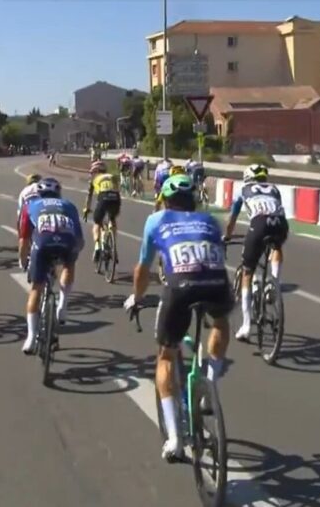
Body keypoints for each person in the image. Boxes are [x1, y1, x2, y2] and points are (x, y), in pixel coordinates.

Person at [123, 174, 233, 460]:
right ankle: (210, 382)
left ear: (164, 200)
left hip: (181, 288)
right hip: (216, 283)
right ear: (193, 200)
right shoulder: (210, 221)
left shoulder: (155, 220)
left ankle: (174, 438)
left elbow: (143, 268)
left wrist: (136, 298)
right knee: (220, 322)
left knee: (166, 356)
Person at [18, 178, 84, 354]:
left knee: (36, 289)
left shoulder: (30, 205)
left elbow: (24, 239)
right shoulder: (69, 205)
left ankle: (31, 338)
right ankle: (63, 305)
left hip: (42, 245)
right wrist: (73, 255)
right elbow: (79, 239)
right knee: (69, 265)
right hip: (67, 242)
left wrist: (23, 261)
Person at [223, 164, 289, 341]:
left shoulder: (242, 189)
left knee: (247, 271)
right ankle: (274, 282)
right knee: (276, 246)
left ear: (247, 177)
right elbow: (275, 209)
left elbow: (232, 218)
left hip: (259, 224)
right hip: (281, 223)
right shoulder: (274, 189)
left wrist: (227, 236)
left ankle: (246, 325)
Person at [83, 160, 121, 263]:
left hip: (103, 197)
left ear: (96, 171)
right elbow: (117, 189)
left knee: (97, 223)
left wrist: (86, 209)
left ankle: (97, 246)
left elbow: (89, 196)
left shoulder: (94, 179)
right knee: (112, 219)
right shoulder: (112, 176)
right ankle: (114, 248)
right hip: (116, 198)